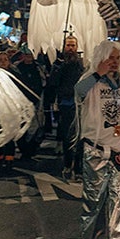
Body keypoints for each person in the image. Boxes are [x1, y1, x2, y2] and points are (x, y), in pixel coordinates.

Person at [74, 40, 120, 239]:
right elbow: (78, 93)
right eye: (110, 57)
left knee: (118, 200)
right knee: (94, 200)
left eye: (117, 58)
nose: (114, 62)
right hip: (96, 150)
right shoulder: (89, 81)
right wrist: (96, 74)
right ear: (100, 58)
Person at [44, 36, 86, 180]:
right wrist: (58, 67)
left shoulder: (81, 63)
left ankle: (79, 168)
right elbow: (53, 84)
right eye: (68, 45)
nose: (70, 48)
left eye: (73, 45)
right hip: (66, 105)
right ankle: (68, 165)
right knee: (68, 137)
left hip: (80, 105)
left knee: (81, 137)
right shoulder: (58, 64)